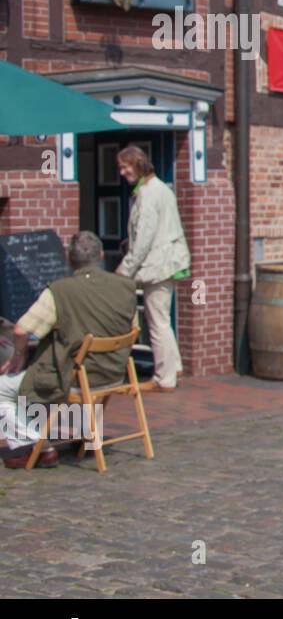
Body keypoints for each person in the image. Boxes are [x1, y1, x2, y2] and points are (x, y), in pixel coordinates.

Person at [1, 232, 136, 469]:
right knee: (46, 378)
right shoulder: (125, 286)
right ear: (101, 255)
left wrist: (19, 356)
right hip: (115, 372)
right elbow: (133, 328)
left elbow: (22, 331)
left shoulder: (61, 290)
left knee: (4, 389)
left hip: (77, 376)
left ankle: (38, 447)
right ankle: (85, 433)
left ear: (68, 259)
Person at [116, 145, 190, 392]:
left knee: (157, 322)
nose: (122, 171)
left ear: (137, 164)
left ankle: (164, 378)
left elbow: (144, 239)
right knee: (162, 319)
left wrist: (124, 269)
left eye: (125, 166)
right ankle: (174, 366)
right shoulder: (160, 189)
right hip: (166, 261)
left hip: (157, 265)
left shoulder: (148, 194)